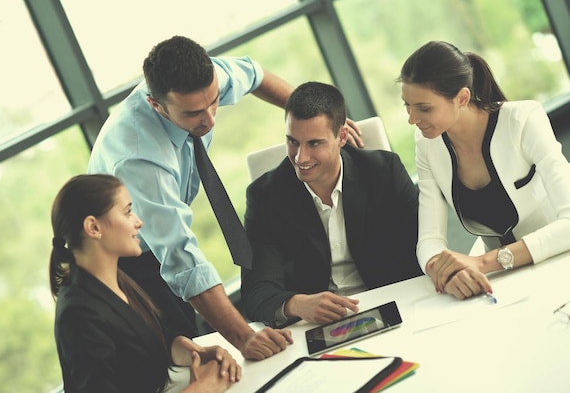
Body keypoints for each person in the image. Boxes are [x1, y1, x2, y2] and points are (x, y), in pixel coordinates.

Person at [88, 35, 321, 360]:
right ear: (157, 105)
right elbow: (181, 258)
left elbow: (255, 74)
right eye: (194, 113)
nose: (211, 120)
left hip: (156, 240)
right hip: (124, 261)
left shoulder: (204, 80)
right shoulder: (139, 157)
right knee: (176, 354)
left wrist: (315, 121)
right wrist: (243, 337)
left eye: (214, 102)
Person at [241, 81, 422, 328]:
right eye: (293, 142)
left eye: (314, 143)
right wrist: (297, 304)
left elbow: (424, 245)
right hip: (315, 326)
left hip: (394, 306)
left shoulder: (384, 172)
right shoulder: (265, 197)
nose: (300, 157)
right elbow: (255, 291)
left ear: (342, 137)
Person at [399, 40, 570, 300]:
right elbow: (428, 239)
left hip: (557, 259)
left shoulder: (522, 119)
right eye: (407, 106)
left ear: (462, 97)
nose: (412, 118)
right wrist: (448, 272)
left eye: (424, 108)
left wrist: (481, 263)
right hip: (498, 282)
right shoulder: (427, 144)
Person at [50, 174, 241, 393]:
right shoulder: (77, 315)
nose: (138, 222)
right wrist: (203, 388)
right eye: (128, 212)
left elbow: (143, 343)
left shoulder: (118, 281)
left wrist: (194, 352)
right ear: (93, 227)